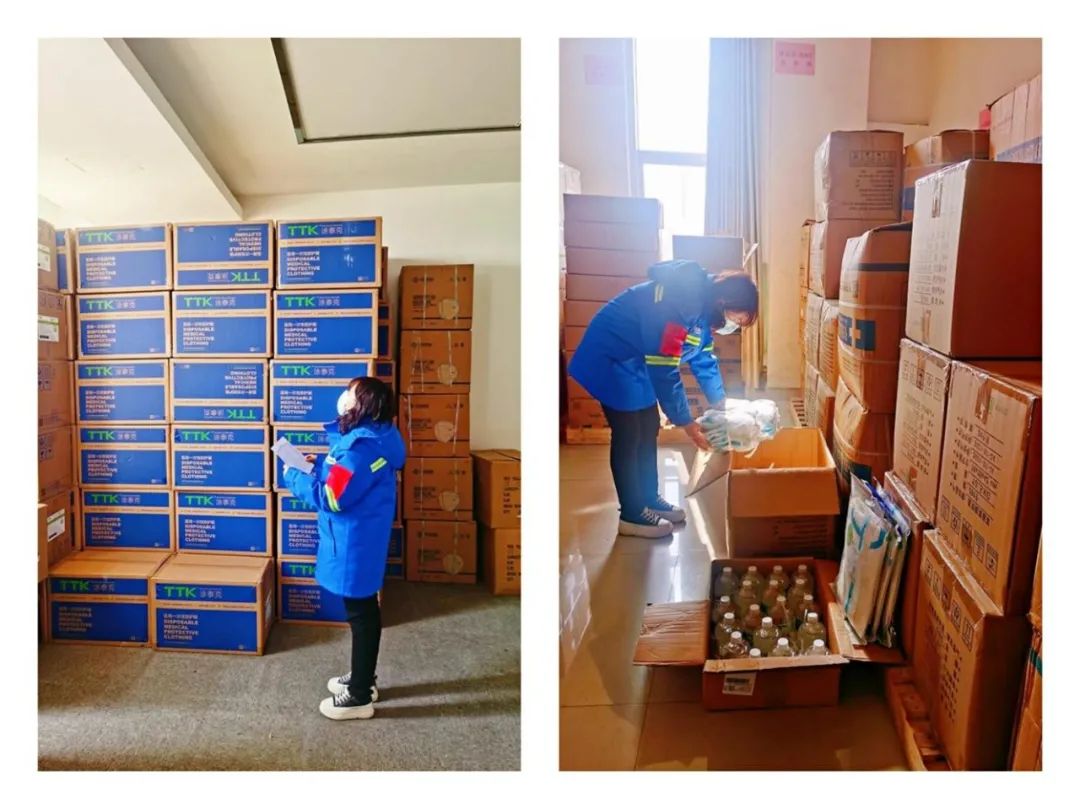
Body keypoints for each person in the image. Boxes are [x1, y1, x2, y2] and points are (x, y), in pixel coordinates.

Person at [568, 260, 759, 538]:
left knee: (648, 426)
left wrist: (720, 402)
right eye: (737, 319)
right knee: (629, 432)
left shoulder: (703, 311)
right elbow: (665, 369)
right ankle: (632, 514)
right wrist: (686, 423)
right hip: (611, 357)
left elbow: (704, 359)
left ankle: (649, 498)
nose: (734, 326)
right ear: (724, 301)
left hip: (636, 361)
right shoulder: (679, 305)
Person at [283, 376, 406, 720]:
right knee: (363, 611)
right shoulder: (377, 437)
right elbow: (346, 476)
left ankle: (359, 695)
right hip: (361, 537)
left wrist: (295, 476)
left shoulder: (361, 449)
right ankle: (363, 677)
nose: (344, 398)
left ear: (364, 403)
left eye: (350, 393)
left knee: (361, 615)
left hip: (353, 543)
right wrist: (317, 466)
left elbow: (333, 497)